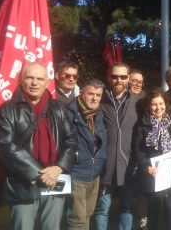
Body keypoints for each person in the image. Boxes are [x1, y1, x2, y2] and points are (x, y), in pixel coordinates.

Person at [0, 62, 77, 230]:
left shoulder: (59, 109)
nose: (34, 83)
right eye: (30, 78)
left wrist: (58, 168)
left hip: (55, 180)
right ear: (21, 80)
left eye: (40, 79)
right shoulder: (6, 110)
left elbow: (71, 139)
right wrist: (40, 173)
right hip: (23, 183)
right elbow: (7, 148)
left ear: (47, 82)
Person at [92, 62, 141, 230]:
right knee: (102, 209)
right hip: (105, 165)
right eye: (114, 76)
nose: (118, 80)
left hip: (128, 165)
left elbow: (157, 117)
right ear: (108, 77)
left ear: (128, 79)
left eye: (122, 77)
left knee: (126, 208)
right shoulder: (98, 99)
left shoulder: (139, 102)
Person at [132, 87, 171, 230]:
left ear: (165, 104)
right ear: (148, 106)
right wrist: (146, 166)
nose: (158, 108)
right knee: (153, 210)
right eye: (154, 104)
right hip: (153, 172)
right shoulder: (142, 125)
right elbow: (138, 150)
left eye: (161, 104)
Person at [66, 79, 107, 230]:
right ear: (82, 93)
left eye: (98, 95)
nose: (94, 98)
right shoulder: (69, 112)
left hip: (94, 173)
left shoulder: (99, 113)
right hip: (77, 173)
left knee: (88, 214)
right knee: (77, 219)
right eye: (90, 94)